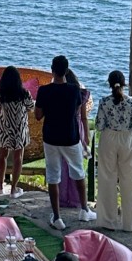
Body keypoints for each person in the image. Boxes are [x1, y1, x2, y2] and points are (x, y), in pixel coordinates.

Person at [35, 54, 96, 231]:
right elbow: (77, 112)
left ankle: (57, 217)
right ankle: (84, 210)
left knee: (53, 175)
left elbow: (38, 116)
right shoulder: (74, 91)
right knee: (78, 172)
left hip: (51, 138)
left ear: (52, 70)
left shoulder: (44, 91)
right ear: (66, 70)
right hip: (70, 137)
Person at [94, 69, 132, 232]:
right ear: (124, 84)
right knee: (130, 180)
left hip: (109, 138)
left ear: (109, 84)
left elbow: (99, 126)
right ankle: (131, 224)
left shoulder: (104, 102)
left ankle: (108, 221)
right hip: (127, 139)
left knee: (107, 178)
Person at [0, 65, 33, 198]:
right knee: (18, 159)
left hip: (4, 127)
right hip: (19, 129)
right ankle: (13, 189)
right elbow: (31, 107)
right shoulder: (24, 93)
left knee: (1, 157)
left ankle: (0, 184)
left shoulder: (1, 93)